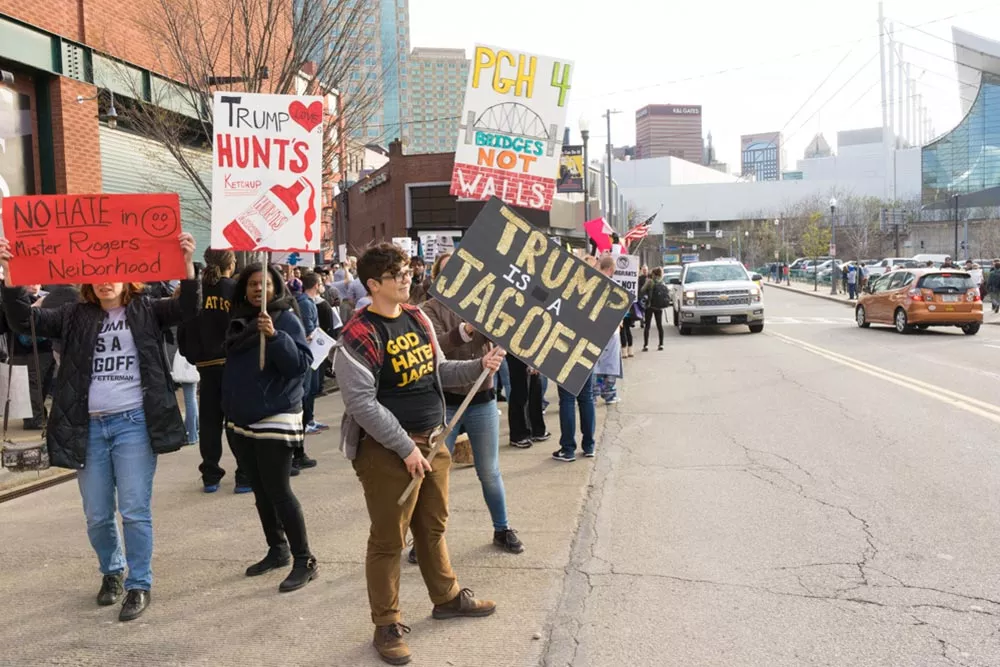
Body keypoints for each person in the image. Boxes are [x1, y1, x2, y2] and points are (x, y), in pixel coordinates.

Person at [0, 233, 200, 622]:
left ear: (130, 278)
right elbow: (25, 320)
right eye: (98, 275)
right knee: (96, 513)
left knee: (135, 509)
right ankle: (112, 571)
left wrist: (187, 264)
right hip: (86, 426)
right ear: (87, 281)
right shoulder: (74, 316)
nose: (106, 281)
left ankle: (138, 583)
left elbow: (187, 308)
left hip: (134, 424)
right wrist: (9, 273)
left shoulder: (146, 310)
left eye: (115, 274)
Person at [335, 243, 504, 665]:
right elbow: (362, 405)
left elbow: (440, 370)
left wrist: (481, 364)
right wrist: (405, 446)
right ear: (374, 284)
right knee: (390, 539)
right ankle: (386, 624)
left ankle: (446, 598)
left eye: (408, 270)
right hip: (386, 451)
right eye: (396, 274)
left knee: (432, 526)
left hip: (434, 440)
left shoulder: (417, 317)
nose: (407, 278)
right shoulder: (357, 335)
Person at [222, 263, 318, 593]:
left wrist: (274, 337)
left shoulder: (286, 318)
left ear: (276, 287)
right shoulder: (238, 321)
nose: (258, 289)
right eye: (251, 284)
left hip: (276, 416)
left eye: (264, 283)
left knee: (278, 490)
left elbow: (300, 366)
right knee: (260, 490)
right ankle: (277, 549)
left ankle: (304, 559)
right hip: (242, 418)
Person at [422, 252, 524, 555]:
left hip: (482, 401)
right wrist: (464, 331)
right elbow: (434, 346)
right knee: (435, 472)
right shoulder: (429, 309)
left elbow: (508, 331)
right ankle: (426, 537)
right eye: (447, 271)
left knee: (489, 471)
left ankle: (502, 528)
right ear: (438, 278)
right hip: (446, 402)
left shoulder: (485, 301)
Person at [178, 249, 249, 494]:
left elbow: (184, 325)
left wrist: (192, 353)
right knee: (236, 421)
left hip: (205, 366)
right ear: (231, 263)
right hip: (232, 363)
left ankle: (210, 474)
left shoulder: (195, 292)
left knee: (209, 423)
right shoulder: (236, 291)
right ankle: (244, 474)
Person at [297, 271, 330, 440]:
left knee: (311, 388)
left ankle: (309, 419)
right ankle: (305, 422)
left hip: (313, 351)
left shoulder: (307, 302)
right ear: (316, 285)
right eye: (321, 283)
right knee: (307, 389)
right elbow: (309, 330)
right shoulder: (306, 303)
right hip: (310, 350)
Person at [592, 255, 624, 404]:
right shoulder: (613, 286)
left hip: (594, 329)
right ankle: (609, 393)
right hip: (611, 329)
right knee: (610, 363)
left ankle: (594, 392)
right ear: (611, 269)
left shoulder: (593, 283)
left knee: (596, 362)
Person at [638, 267, 668, 351]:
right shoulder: (662, 282)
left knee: (647, 326)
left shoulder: (650, 281)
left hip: (650, 306)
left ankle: (646, 345)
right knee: (659, 326)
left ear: (653, 274)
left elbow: (642, 290)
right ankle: (661, 344)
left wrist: (647, 283)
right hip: (659, 307)